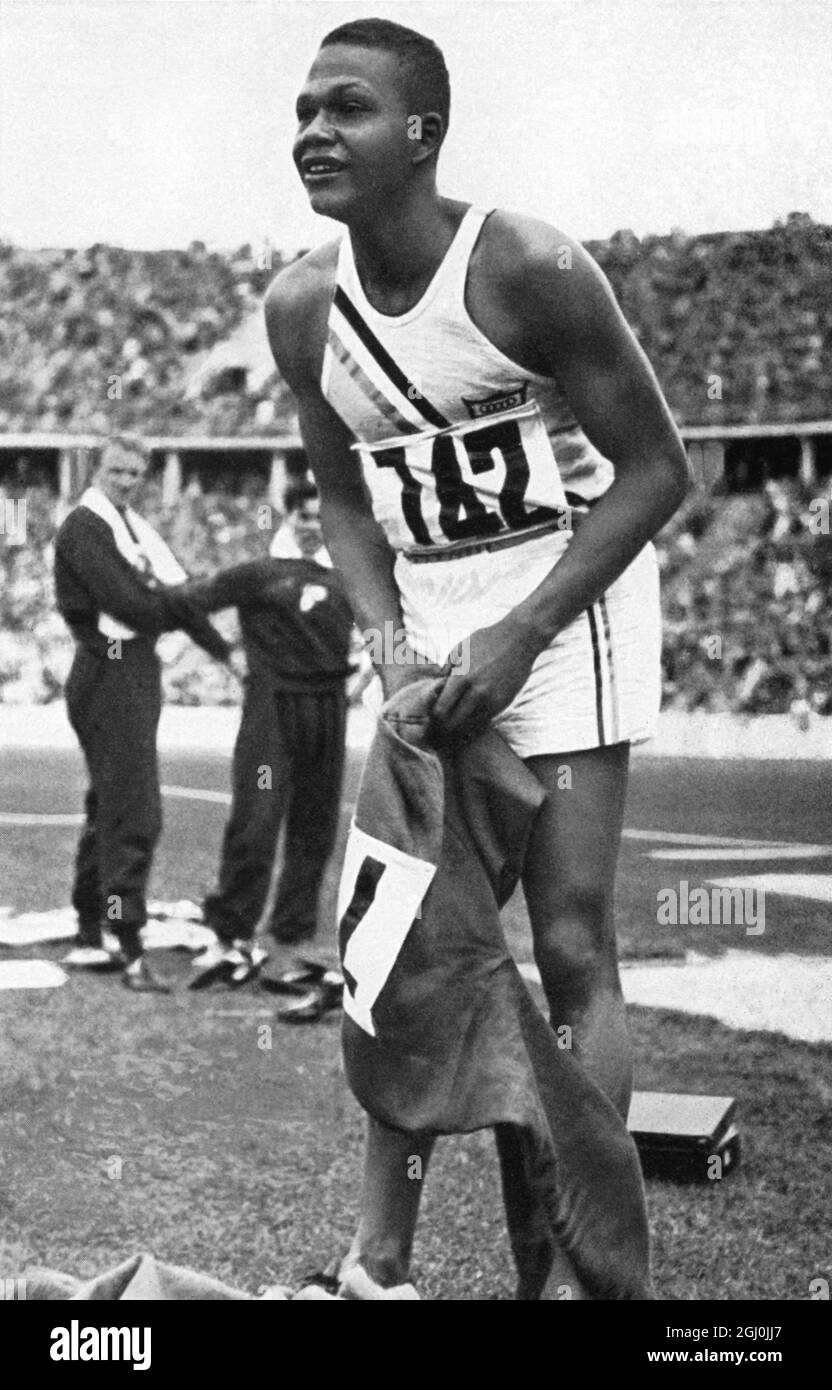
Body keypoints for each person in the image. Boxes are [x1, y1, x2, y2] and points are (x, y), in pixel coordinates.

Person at [265, 18, 691, 1298]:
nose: (313, 132)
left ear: (422, 133)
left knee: (566, 944)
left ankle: (569, 1267)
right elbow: (342, 497)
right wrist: (392, 648)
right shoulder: (299, 307)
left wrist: (520, 632)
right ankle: (377, 1261)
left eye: (347, 108)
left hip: (568, 604)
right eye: (303, 109)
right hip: (430, 623)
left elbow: (658, 471)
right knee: (400, 951)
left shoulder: (526, 263)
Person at [54, 433, 231, 993]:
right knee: (135, 811)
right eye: (116, 472)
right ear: (96, 469)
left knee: (110, 802)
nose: (126, 482)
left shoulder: (132, 528)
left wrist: (225, 654)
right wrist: (167, 602)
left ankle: (93, 925)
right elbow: (132, 603)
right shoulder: (86, 526)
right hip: (108, 667)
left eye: (134, 474)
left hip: (131, 668)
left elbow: (178, 597)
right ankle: (124, 939)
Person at [183, 479, 360, 997]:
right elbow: (188, 603)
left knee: (315, 824)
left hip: (329, 706)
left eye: (321, 518)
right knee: (256, 820)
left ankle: (291, 935)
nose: (312, 527)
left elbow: (389, 628)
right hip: (273, 707)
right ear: (288, 516)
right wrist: (227, 654)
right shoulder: (258, 573)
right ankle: (232, 929)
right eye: (304, 517)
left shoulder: (348, 575)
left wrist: (368, 675)